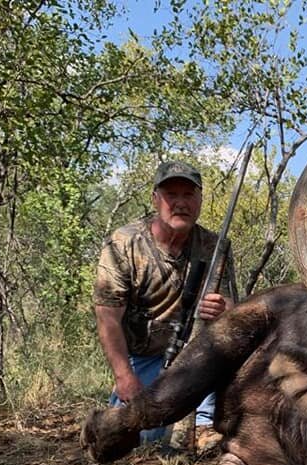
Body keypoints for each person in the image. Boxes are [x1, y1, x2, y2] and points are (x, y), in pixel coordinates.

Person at [93, 160, 235, 444]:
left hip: (197, 358)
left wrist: (222, 310)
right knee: (138, 436)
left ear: (200, 199)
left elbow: (233, 311)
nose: (180, 203)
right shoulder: (124, 243)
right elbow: (108, 319)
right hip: (145, 360)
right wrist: (125, 377)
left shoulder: (216, 246)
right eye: (172, 195)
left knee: (212, 431)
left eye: (189, 195)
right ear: (155, 199)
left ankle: (206, 423)